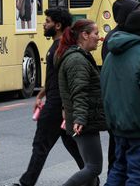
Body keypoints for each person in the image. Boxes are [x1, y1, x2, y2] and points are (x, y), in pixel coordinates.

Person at [12, 8, 87, 186]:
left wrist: (62, 106)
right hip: (57, 103)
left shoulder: (61, 47)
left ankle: (26, 183)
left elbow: (65, 79)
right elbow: (54, 77)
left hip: (56, 105)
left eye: (47, 21)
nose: (44, 24)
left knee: (41, 145)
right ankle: (91, 177)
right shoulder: (59, 46)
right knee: (72, 145)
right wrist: (41, 94)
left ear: (58, 25)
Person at [101, 10, 140, 185]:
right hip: (139, 126)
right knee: (139, 175)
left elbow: (105, 89)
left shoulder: (111, 55)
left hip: (117, 125)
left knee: (119, 169)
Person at [55, 19, 106, 186]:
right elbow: (79, 92)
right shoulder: (77, 60)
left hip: (83, 120)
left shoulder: (79, 56)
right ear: (84, 35)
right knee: (93, 167)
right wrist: (80, 119)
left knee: (90, 171)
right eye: (96, 33)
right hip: (85, 122)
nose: (99, 37)